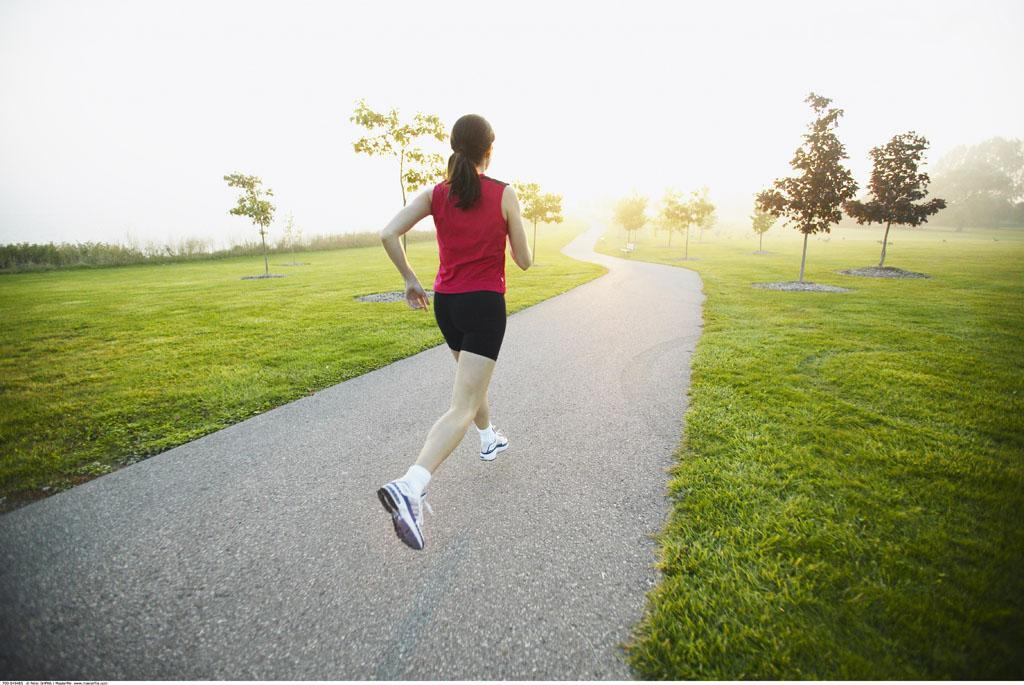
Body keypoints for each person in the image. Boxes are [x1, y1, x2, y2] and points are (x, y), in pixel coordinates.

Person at [375, 113, 533, 550]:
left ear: (454, 147)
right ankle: (412, 483)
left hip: (447, 304)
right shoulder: (504, 193)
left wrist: (410, 279)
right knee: (461, 404)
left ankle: (488, 439)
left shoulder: (435, 193)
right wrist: (516, 223)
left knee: (470, 384)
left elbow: (388, 233)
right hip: (484, 304)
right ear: (489, 150)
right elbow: (524, 260)